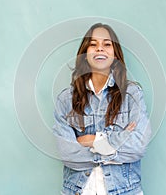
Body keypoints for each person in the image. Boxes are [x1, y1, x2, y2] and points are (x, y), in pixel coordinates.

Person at [52, 23, 151, 195]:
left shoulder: (132, 95)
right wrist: (116, 141)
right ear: (85, 53)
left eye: (107, 44)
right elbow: (68, 154)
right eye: (93, 44)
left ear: (115, 54)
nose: (100, 49)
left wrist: (92, 140)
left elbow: (137, 146)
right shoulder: (66, 99)